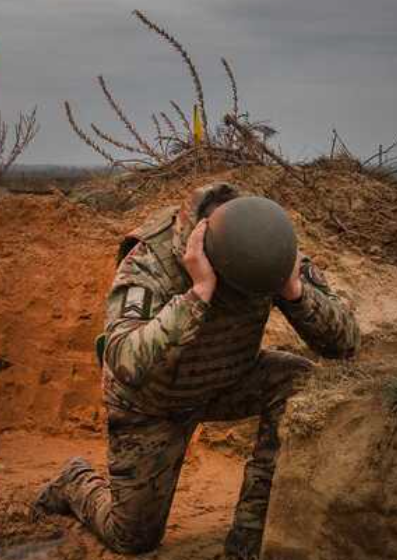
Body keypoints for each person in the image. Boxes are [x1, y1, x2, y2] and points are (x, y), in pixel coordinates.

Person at [31, 182, 360, 559]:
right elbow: (124, 361)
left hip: (226, 379)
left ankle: (249, 534)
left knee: (298, 379)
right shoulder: (151, 261)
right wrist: (199, 292)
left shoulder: (265, 247)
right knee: (132, 538)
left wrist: (294, 292)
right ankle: (74, 480)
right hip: (152, 403)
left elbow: (346, 343)